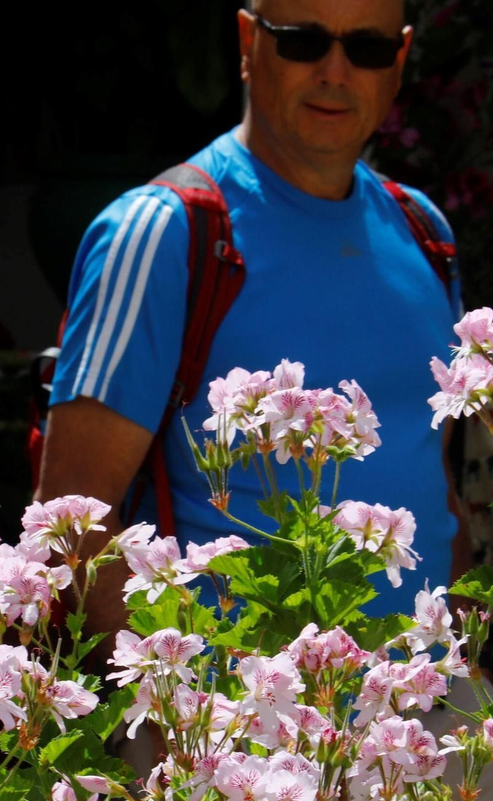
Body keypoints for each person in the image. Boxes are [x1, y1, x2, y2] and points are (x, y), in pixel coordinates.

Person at [37, 0, 470, 642]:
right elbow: (70, 526)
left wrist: (469, 671)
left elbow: (437, 491)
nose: (335, 70)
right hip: (228, 724)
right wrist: (171, 727)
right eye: (303, 41)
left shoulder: (424, 231)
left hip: (422, 713)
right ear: (248, 42)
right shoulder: (163, 231)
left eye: (367, 49)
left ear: (400, 60)